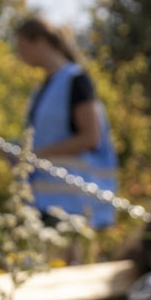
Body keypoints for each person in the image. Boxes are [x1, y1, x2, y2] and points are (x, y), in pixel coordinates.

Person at [13, 16, 118, 230]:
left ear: (41, 41)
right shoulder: (44, 88)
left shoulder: (76, 80)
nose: (20, 56)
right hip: (46, 200)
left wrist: (33, 155)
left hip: (77, 204)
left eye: (22, 47)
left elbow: (90, 138)